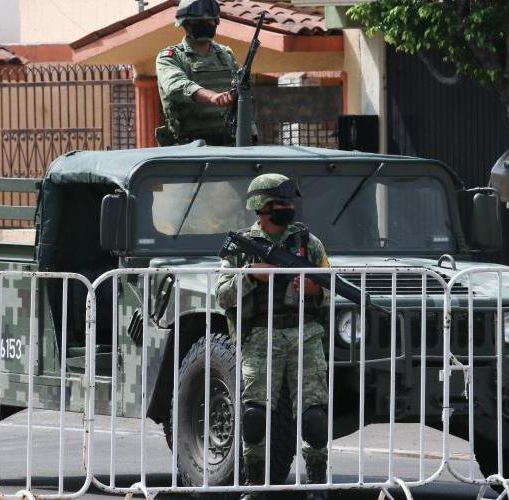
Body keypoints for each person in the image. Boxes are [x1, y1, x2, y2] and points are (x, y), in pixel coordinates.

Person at [216, 173, 330, 500]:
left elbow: (330, 288)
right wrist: (252, 275)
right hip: (259, 337)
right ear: (261, 208)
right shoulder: (242, 246)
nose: (287, 208)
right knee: (254, 417)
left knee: (314, 417)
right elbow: (223, 296)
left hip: (304, 335)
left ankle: (318, 485)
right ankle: (255, 485)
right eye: (280, 204)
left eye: (289, 203)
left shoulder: (309, 243)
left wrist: (314, 290)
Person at [155, 0, 237, 146]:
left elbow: (243, 97)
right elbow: (177, 86)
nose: (206, 24)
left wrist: (250, 134)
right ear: (186, 24)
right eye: (200, 21)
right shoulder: (170, 57)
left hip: (229, 145)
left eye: (210, 20)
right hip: (187, 148)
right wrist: (212, 97)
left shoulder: (226, 55)